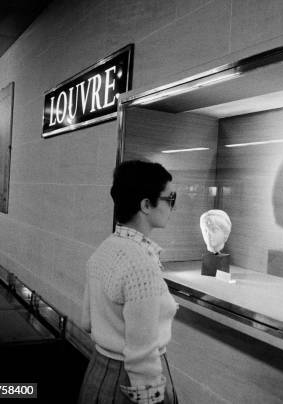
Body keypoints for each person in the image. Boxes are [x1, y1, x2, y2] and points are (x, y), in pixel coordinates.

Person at [78, 160, 179, 404]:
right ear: (146, 204)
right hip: (130, 386)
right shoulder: (140, 265)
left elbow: (87, 321)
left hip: (97, 373)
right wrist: (154, 396)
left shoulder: (104, 249)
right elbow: (142, 355)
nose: (172, 207)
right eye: (170, 198)